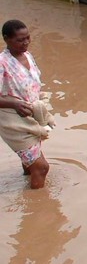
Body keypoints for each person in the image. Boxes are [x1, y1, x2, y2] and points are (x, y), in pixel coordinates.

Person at [0, 20, 53, 189]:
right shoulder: (2, 63)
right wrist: (14, 104)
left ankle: (27, 179)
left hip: (30, 116)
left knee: (31, 163)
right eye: (20, 40)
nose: (25, 43)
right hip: (13, 121)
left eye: (28, 38)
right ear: (6, 39)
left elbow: (33, 84)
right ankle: (37, 207)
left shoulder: (28, 55)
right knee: (42, 167)